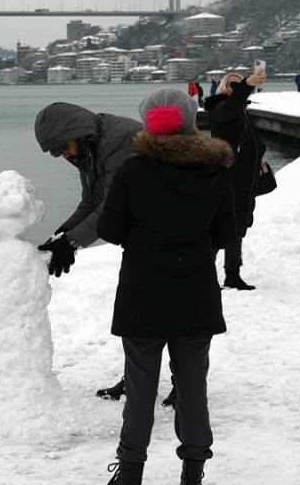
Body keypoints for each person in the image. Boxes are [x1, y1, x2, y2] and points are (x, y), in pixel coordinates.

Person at [97, 88, 236, 485]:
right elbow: (226, 231)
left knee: (140, 387)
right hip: (195, 292)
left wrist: (145, 241)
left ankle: (130, 472)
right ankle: (193, 471)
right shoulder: (215, 169)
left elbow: (109, 229)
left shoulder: (132, 171)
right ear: (191, 121)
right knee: (193, 386)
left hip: (143, 292)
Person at [34, 101, 142, 401]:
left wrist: (71, 243)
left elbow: (113, 206)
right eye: (56, 153)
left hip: (169, 234)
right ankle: (136, 377)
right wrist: (61, 235)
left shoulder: (121, 141)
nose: (63, 156)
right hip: (141, 237)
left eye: (62, 148)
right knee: (137, 314)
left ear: (76, 132)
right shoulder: (89, 149)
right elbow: (91, 202)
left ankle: (177, 383)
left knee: (160, 312)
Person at [203, 70, 268, 290]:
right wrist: (246, 85)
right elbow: (230, 108)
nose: (235, 88)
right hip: (228, 178)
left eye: (238, 85)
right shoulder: (220, 108)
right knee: (221, 227)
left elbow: (250, 139)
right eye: (232, 85)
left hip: (244, 180)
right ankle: (205, 275)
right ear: (224, 87)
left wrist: (260, 154)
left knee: (238, 227)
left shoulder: (240, 110)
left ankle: (233, 274)